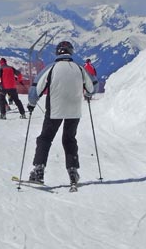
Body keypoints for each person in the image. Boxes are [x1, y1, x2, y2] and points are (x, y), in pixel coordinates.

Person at [26, 41, 95, 192]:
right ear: (70, 52)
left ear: (58, 53)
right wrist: (88, 94)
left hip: (55, 110)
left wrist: (31, 104)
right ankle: (73, 173)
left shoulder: (50, 68)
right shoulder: (79, 68)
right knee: (69, 139)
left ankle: (38, 171)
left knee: (45, 138)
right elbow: (92, 86)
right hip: (74, 111)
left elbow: (36, 87)